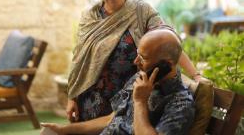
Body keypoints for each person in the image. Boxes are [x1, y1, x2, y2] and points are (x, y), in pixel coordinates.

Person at [66, 0, 200, 123]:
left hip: (129, 98)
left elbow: (169, 44)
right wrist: (72, 97)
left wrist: (195, 75)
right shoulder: (90, 17)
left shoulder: (141, 11)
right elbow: (79, 59)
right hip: (90, 100)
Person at [42, 29, 195, 135]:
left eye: (144, 58)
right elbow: (112, 119)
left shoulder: (180, 103)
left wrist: (140, 102)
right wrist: (65, 130)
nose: (136, 62)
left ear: (166, 64)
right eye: (138, 55)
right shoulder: (141, 79)